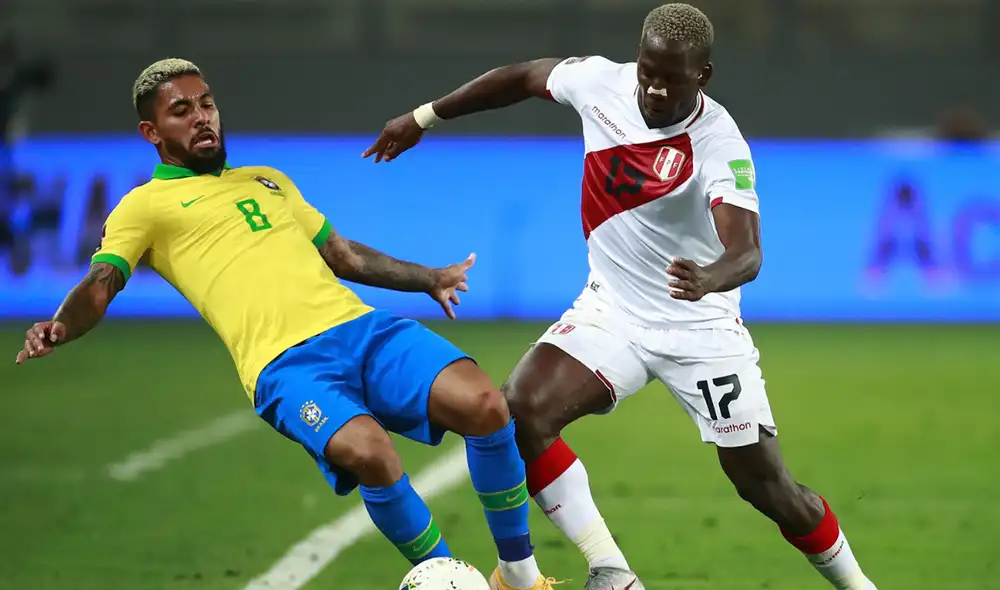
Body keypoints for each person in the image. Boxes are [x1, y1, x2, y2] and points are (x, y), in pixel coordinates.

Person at [363, 4, 878, 590]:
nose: (654, 88)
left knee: (766, 486)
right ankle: (611, 571)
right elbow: (522, 77)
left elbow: (748, 252)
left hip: (699, 328)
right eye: (647, 72)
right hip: (612, 311)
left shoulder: (718, 143)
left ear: (703, 75)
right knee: (521, 413)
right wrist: (426, 116)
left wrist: (710, 277)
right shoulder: (599, 82)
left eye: (671, 79)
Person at [14, 58, 557, 590]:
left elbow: (343, 256)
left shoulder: (267, 180)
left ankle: (519, 579)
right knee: (371, 454)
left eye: (207, 104)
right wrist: (62, 324)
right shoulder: (144, 207)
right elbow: (101, 282)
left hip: (362, 331)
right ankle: (447, 578)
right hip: (285, 366)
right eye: (182, 111)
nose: (202, 117)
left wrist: (429, 278)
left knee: (487, 407)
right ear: (151, 131)